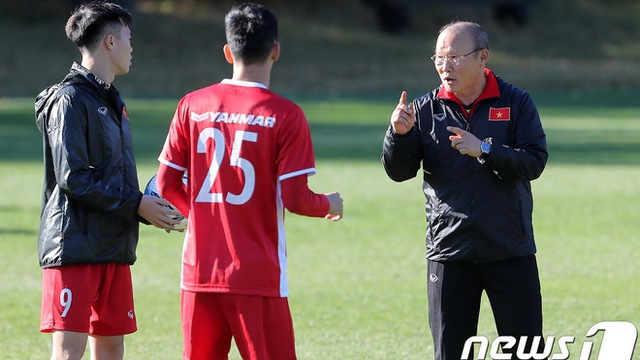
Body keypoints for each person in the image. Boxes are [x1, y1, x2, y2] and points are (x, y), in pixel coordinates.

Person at [155, 3, 344, 359]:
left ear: (228, 51)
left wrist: (199, 218)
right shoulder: (285, 115)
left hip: (200, 272)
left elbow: (166, 184)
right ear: (276, 50)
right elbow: (297, 198)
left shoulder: (191, 104)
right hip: (257, 276)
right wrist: (329, 204)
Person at [381, 21, 548, 360]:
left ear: (482, 57)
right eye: (439, 58)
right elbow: (399, 173)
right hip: (449, 253)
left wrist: (485, 150)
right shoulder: (424, 110)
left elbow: (534, 162)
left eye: (455, 57)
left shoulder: (516, 102)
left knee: (526, 353)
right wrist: (397, 136)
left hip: (509, 250)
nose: (445, 66)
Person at [34, 2, 181, 359]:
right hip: (75, 248)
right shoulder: (69, 100)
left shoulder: (114, 101)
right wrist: (136, 204)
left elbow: (112, 178)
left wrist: (148, 209)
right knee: (70, 350)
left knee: (112, 347)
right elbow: (74, 178)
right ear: (110, 43)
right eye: (129, 38)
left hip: (113, 245)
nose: (133, 47)